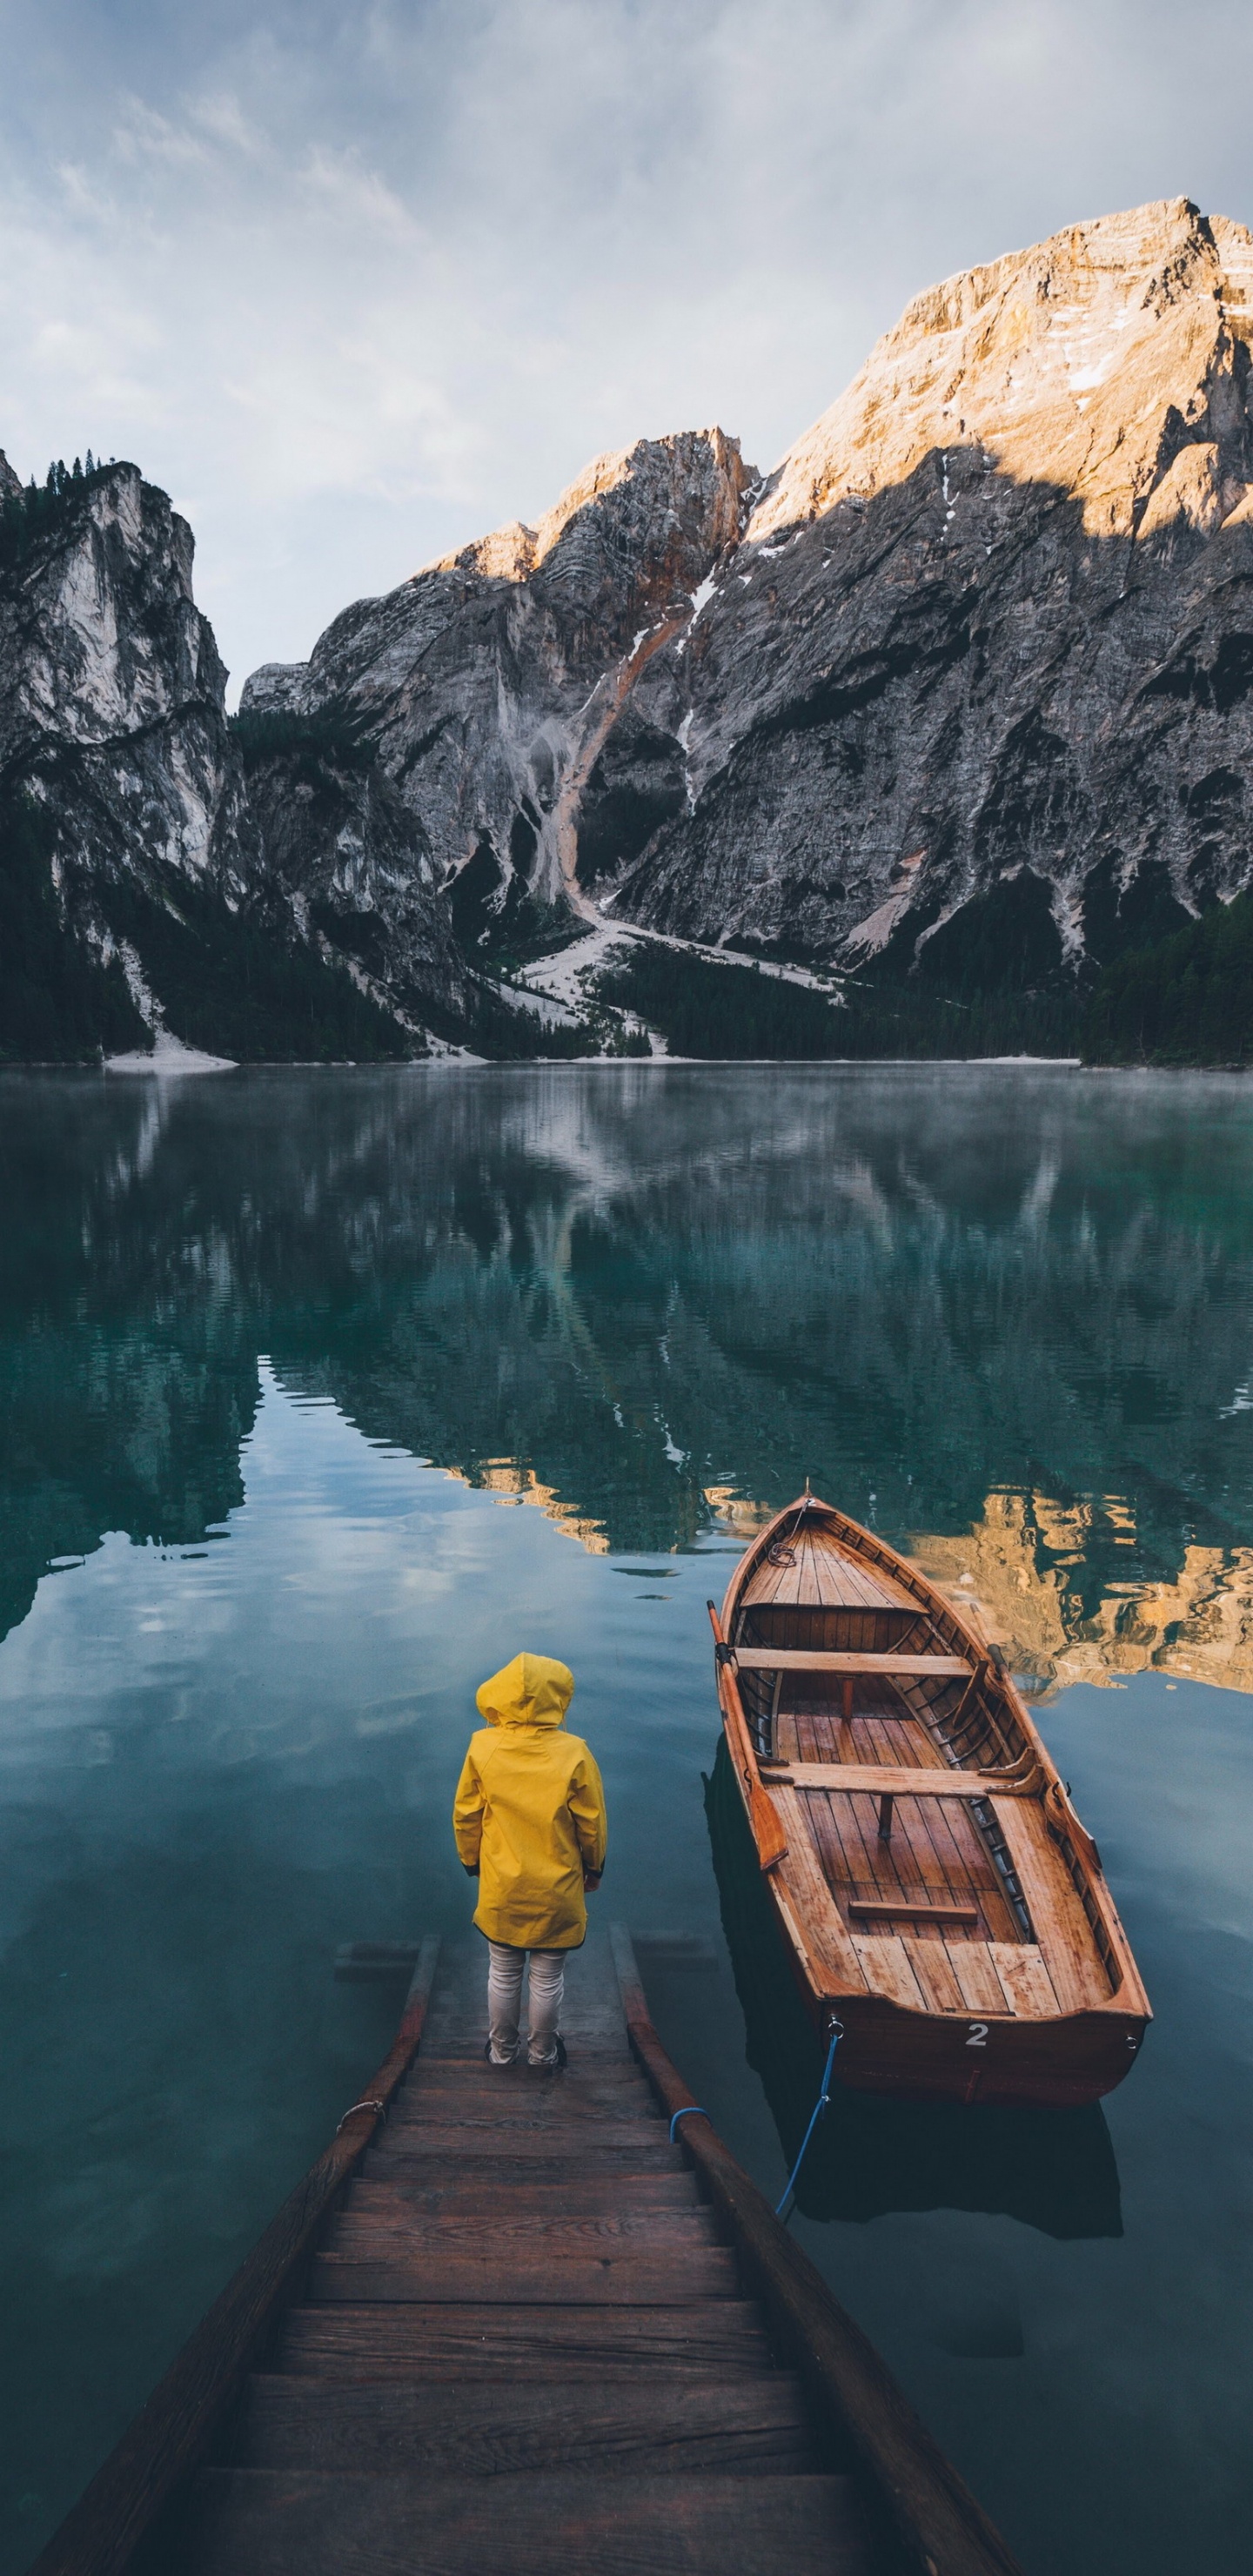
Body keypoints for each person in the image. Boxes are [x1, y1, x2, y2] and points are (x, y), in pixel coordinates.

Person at [452, 1651, 607, 2070]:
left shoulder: (482, 1747)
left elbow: (466, 1815)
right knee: (547, 1979)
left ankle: (502, 2053)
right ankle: (543, 2055)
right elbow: (591, 1824)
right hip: (556, 1890)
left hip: (503, 1887)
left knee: (502, 1974)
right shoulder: (575, 1753)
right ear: (558, 1698)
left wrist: (472, 1862)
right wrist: (593, 1869)